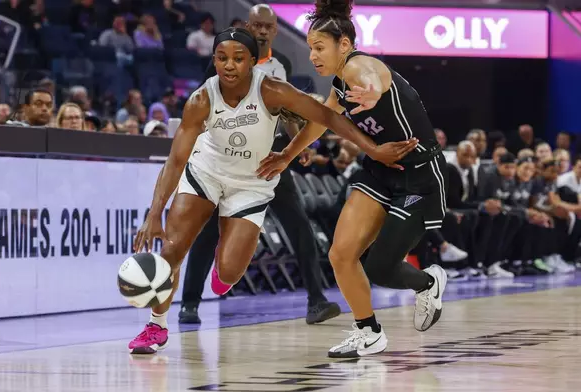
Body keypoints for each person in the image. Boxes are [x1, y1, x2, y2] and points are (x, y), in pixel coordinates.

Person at [129, 27, 418, 354]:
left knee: (228, 271)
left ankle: (226, 266)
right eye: (222, 58)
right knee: (171, 251)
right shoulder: (202, 99)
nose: (229, 65)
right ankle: (156, 325)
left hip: (251, 182)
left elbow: (327, 116)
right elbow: (176, 158)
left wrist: (373, 149)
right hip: (205, 173)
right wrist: (154, 213)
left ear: (253, 61)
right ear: (213, 60)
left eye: (238, 58)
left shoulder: (271, 89)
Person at [257, 0, 448, 358]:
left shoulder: (362, 67)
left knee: (380, 267)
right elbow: (321, 122)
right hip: (379, 172)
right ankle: (369, 332)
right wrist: (286, 155)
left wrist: (373, 92)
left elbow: (373, 80)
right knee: (341, 254)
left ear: (344, 45)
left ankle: (428, 281)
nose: (313, 55)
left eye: (319, 48)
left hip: (420, 177)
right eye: (311, 48)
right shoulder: (340, 83)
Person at [179, 3, 340, 326]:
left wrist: (297, 145)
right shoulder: (224, 64)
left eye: (268, 26)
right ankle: (190, 303)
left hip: (273, 154)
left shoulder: (282, 64)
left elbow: (286, 110)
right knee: (209, 230)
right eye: (257, 26)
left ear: (275, 30)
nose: (263, 31)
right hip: (226, 156)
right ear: (248, 27)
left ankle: (316, 300)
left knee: (299, 225)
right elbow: (205, 106)